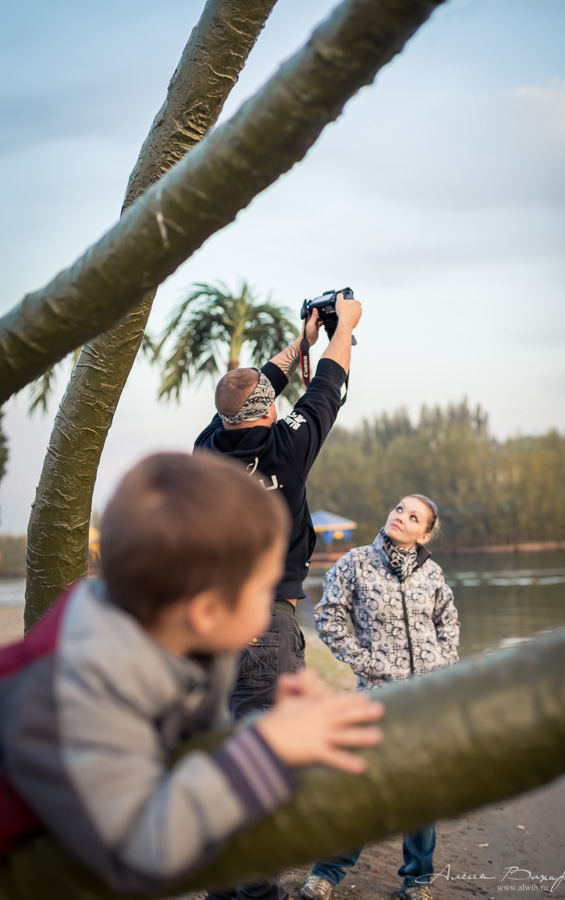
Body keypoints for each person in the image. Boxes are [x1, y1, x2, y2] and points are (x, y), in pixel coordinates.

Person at [0, 452, 384, 895]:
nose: (276, 601)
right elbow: (142, 851)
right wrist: (268, 748)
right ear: (206, 612)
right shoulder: (82, 689)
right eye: (266, 589)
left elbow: (201, 738)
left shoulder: (176, 631)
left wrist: (278, 719)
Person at [194, 293, 361, 900]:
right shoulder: (287, 449)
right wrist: (343, 327)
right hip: (267, 623)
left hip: (209, 625)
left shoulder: (208, 450)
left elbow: (257, 388)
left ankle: (221, 882)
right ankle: (256, 889)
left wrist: (303, 344)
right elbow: (331, 385)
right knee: (266, 759)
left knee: (222, 748)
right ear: (268, 414)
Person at [300, 494, 460, 900]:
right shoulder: (355, 563)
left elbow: (449, 622)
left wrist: (442, 665)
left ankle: (418, 880)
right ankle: (328, 873)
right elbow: (329, 615)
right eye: (398, 509)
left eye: (413, 517)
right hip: (376, 694)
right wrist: (364, 661)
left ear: (425, 533)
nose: (400, 517)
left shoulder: (433, 574)